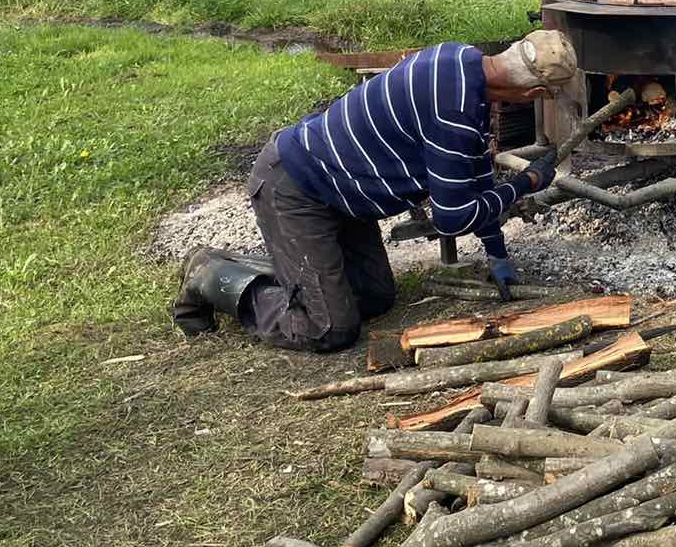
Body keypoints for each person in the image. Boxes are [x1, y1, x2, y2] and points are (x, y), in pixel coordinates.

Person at [171, 32, 576, 352]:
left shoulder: (460, 62)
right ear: (532, 94)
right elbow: (452, 216)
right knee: (329, 326)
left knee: (376, 297)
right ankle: (211, 273)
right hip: (297, 185)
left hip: (346, 196)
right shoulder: (453, 112)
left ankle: (295, 271)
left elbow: (475, 175)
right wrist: (527, 183)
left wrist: (497, 252)